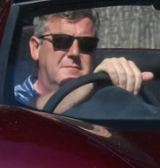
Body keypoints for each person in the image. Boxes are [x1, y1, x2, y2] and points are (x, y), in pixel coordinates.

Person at [13, 10, 151, 112]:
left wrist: (129, 85)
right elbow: (31, 109)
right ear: (36, 48)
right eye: (62, 41)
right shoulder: (12, 99)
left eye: (87, 44)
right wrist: (92, 84)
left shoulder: (107, 99)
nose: (74, 52)